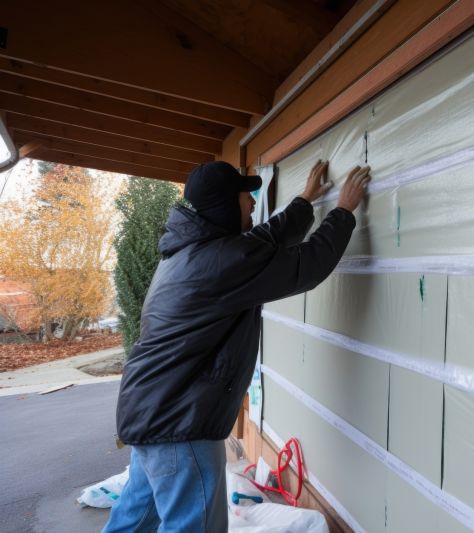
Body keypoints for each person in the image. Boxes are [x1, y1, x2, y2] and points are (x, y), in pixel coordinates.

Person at [103, 160, 371, 532]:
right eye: (246, 196)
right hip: (181, 425)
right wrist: (342, 211)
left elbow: (261, 242)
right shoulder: (221, 261)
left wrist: (305, 201)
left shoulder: (193, 251)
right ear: (225, 205)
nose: (251, 203)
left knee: (134, 522)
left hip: (149, 413)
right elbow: (307, 265)